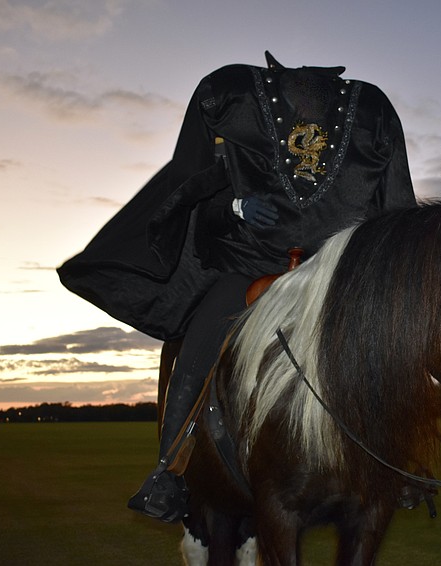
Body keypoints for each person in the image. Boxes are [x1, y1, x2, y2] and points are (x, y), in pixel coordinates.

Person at [57, 51, 416, 522]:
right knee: (197, 351)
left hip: (332, 274)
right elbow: (192, 189)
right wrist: (235, 208)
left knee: (394, 350)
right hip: (247, 267)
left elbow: (394, 209)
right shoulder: (230, 99)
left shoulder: (373, 111)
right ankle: (170, 471)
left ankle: (403, 467)